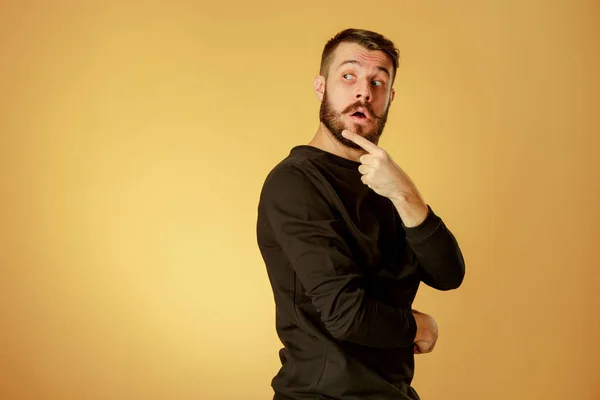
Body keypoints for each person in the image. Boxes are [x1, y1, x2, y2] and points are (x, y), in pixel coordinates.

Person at [256, 28, 466, 400]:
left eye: (378, 82)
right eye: (348, 76)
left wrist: (405, 192)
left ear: (390, 97)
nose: (363, 92)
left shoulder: (384, 180)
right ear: (321, 86)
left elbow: (448, 273)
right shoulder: (295, 183)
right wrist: (420, 327)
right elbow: (346, 313)